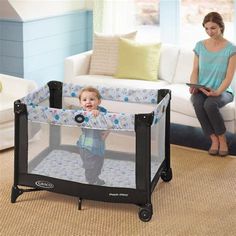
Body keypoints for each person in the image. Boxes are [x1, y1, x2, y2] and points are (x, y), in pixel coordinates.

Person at [189, 12, 236, 157]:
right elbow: (195, 70)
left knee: (210, 104)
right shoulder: (200, 46)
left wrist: (218, 92)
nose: (210, 32)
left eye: (213, 28)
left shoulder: (231, 48)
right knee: (196, 101)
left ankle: (222, 140)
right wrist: (194, 85)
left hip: (223, 91)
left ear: (221, 26)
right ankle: (213, 139)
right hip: (202, 89)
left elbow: (229, 77)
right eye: (207, 28)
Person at [77, 86, 108, 185]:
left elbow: (107, 118)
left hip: (99, 145)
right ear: (81, 103)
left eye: (92, 99)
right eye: (84, 100)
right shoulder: (81, 114)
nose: (88, 102)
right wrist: (89, 113)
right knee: (90, 166)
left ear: (99, 101)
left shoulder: (101, 111)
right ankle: (91, 182)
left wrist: (98, 113)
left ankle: (96, 177)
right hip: (87, 146)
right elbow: (79, 121)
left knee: (99, 163)